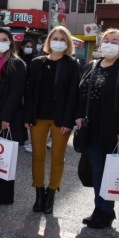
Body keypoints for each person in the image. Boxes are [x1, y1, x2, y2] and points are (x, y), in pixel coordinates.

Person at [76, 28, 119, 229]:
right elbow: (81, 92)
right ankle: (100, 208)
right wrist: (78, 116)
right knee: (97, 169)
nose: (109, 44)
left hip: (114, 131)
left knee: (109, 171)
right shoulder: (92, 65)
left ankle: (106, 211)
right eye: (106, 40)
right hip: (92, 129)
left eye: (115, 42)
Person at [24, 26, 80, 214]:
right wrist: (27, 116)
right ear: (48, 41)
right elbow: (30, 91)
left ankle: (51, 194)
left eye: (62, 39)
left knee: (57, 157)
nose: (58, 42)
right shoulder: (36, 62)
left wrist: (68, 121)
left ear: (67, 43)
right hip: (38, 117)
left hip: (61, 120)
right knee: (38, 155)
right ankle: (39, 193)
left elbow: (74, 94)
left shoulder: (72, 64)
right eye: (55, 38)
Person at [0, 28, 27, 205]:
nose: (0, 42)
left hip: (9, 118)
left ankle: (3, 194)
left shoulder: (16, 64)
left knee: (6, 157)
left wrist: (6, 118)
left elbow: (16, 93)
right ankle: (4, 192)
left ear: (10, 42)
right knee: (2, 156)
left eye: (4, 39)